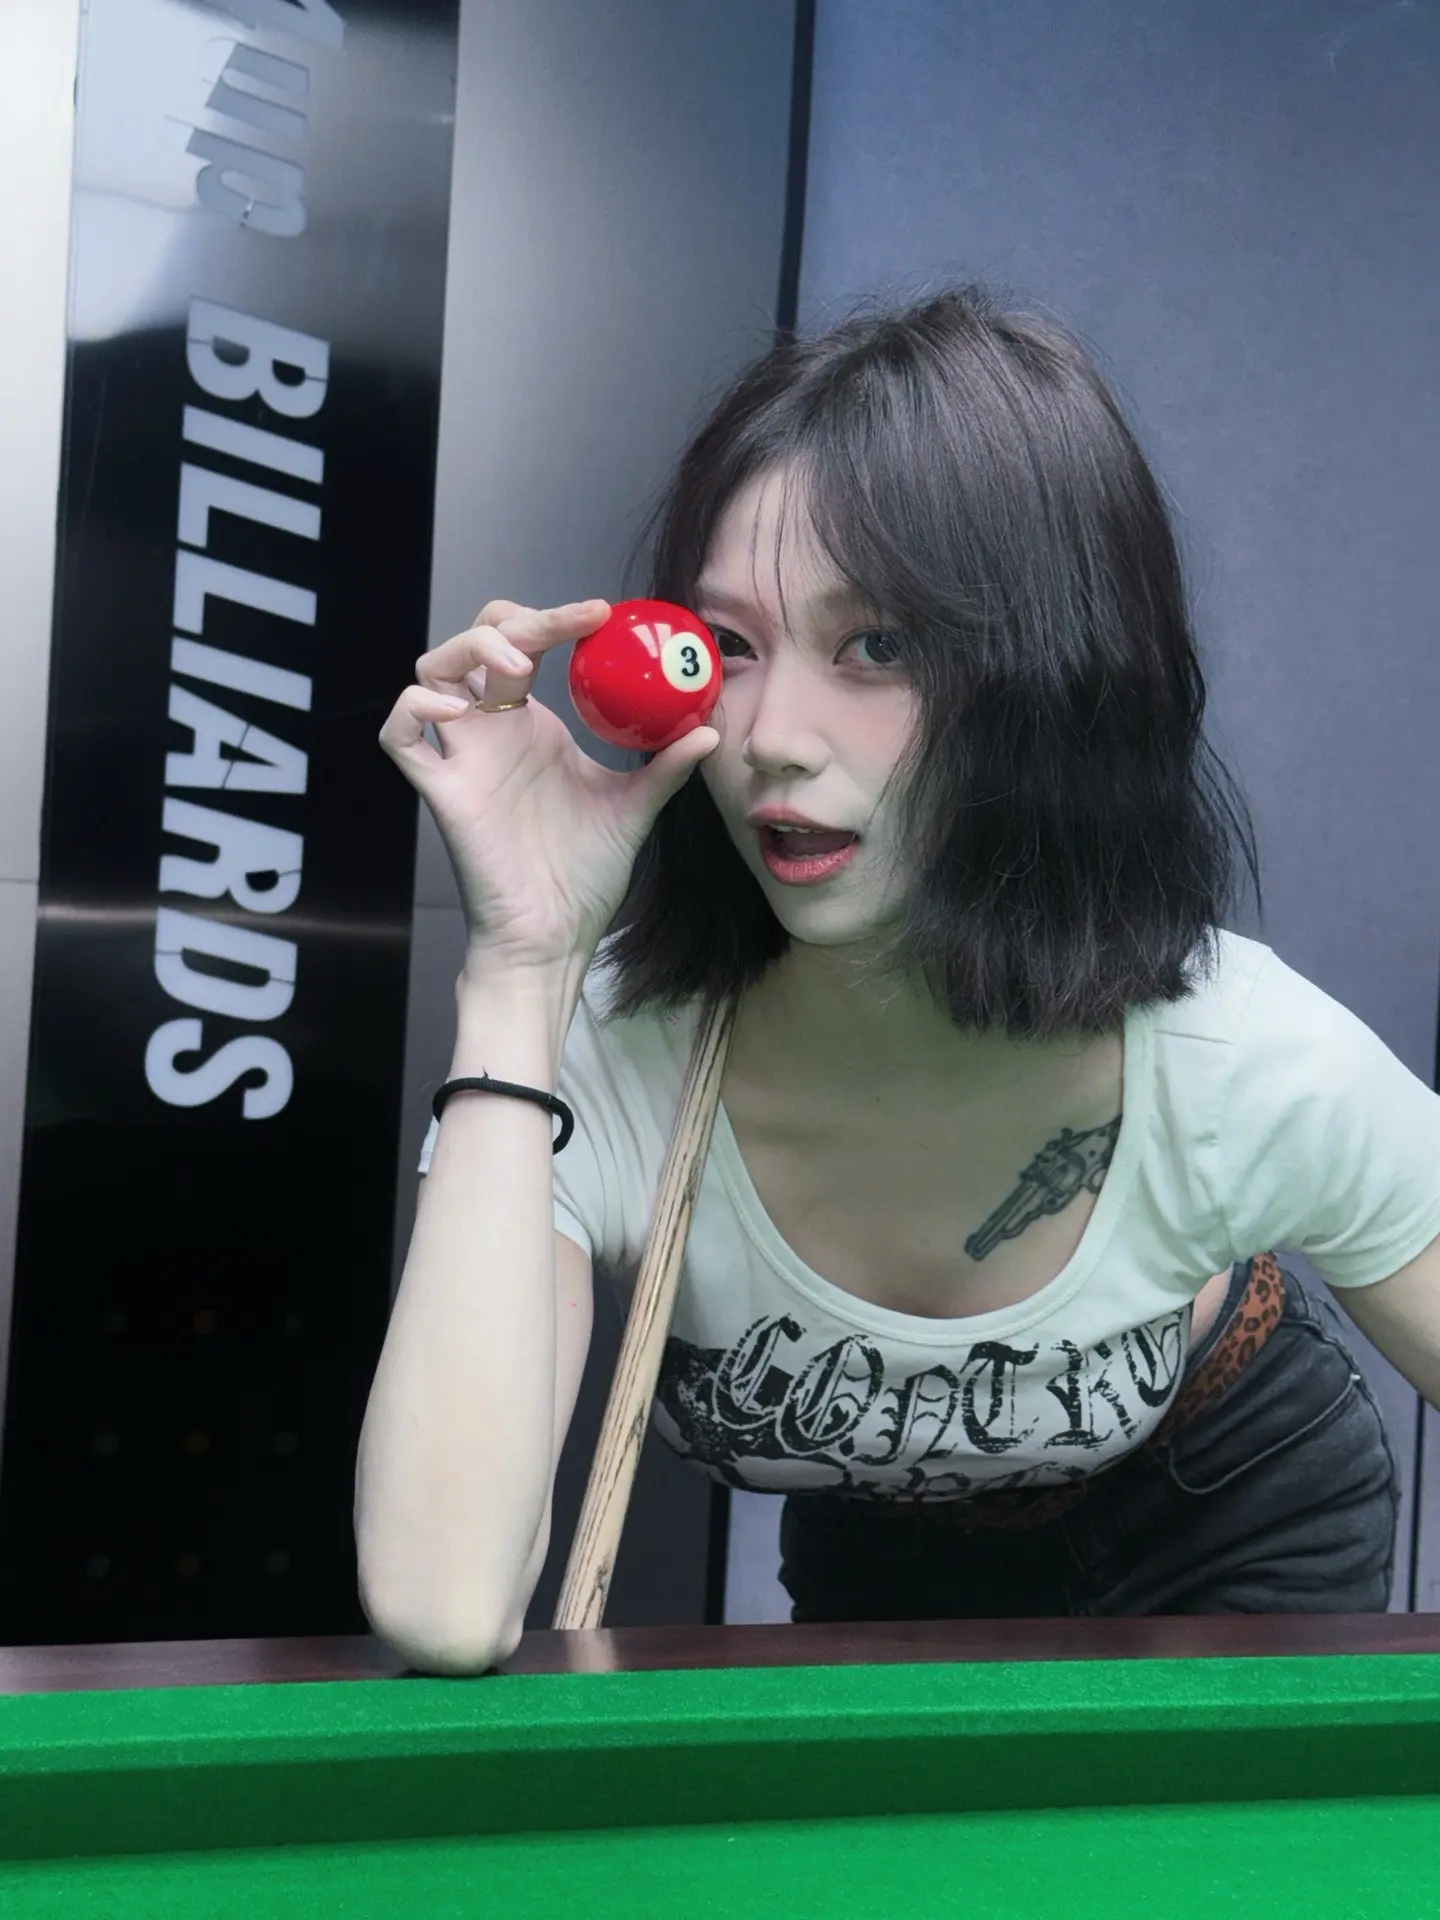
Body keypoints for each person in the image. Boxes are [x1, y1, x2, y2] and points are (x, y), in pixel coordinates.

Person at [356, 284, 1440, 1674]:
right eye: (728, 647)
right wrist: (523, 962)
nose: (773, 737)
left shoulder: (1245, 1056)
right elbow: (441, 1605)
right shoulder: (610, 1046)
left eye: (879, 645)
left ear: (1054, 678)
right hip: (883, 1551)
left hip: (1223, 1502)